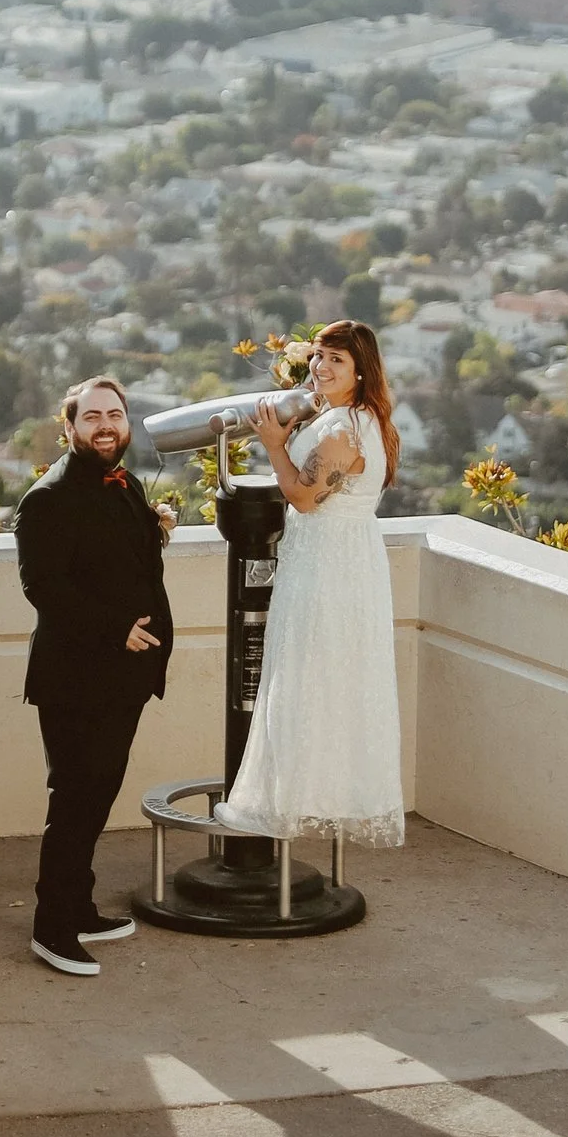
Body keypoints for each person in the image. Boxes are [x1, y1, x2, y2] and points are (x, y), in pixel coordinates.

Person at [212, 319, 405, 853]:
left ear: (361, 371)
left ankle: (288, 800)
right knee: (317, 676)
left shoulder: (343, 432)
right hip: (341, 558)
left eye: (336, 361)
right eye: (319, 356)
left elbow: (301, 496)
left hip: (328, 565)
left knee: (304, 673)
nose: (321, 367)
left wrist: (274, 443)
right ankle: (298, 793)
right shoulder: (359, 419)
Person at [14, 372, 173, 977]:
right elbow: (43, 586)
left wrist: (153, 531)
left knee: (98, 794)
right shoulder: (48, 496)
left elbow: (108, 558)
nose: (106, 426)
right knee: (75, 800)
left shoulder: (123, 480)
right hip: (76, 676)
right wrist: (114, 630)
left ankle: (79, 906)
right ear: (70, 427)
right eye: (92, 418)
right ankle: (51, 928)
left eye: (114, 415)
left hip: (123, 677)